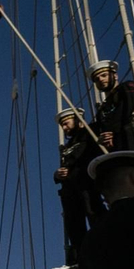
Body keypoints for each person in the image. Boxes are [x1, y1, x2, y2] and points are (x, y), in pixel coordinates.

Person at [53, 107, 104, 250]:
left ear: (78, 121)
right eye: (62, 125)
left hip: (86, 183)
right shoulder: (66, 147)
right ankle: (80, 255)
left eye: (66, 123)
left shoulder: (90, 135)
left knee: (94, 214)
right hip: (69, 188)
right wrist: (57, 175)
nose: (64, 127)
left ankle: (105, 246)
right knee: (73, 224)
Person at [90, 61, 134, 152]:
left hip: (129, 141)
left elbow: (129, 111)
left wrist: (115, 135)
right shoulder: (102, 110)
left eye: (104, 75)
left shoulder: (127, 88)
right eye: (96, 79)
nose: (100, 79)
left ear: (115, 76)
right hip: (112, 151)